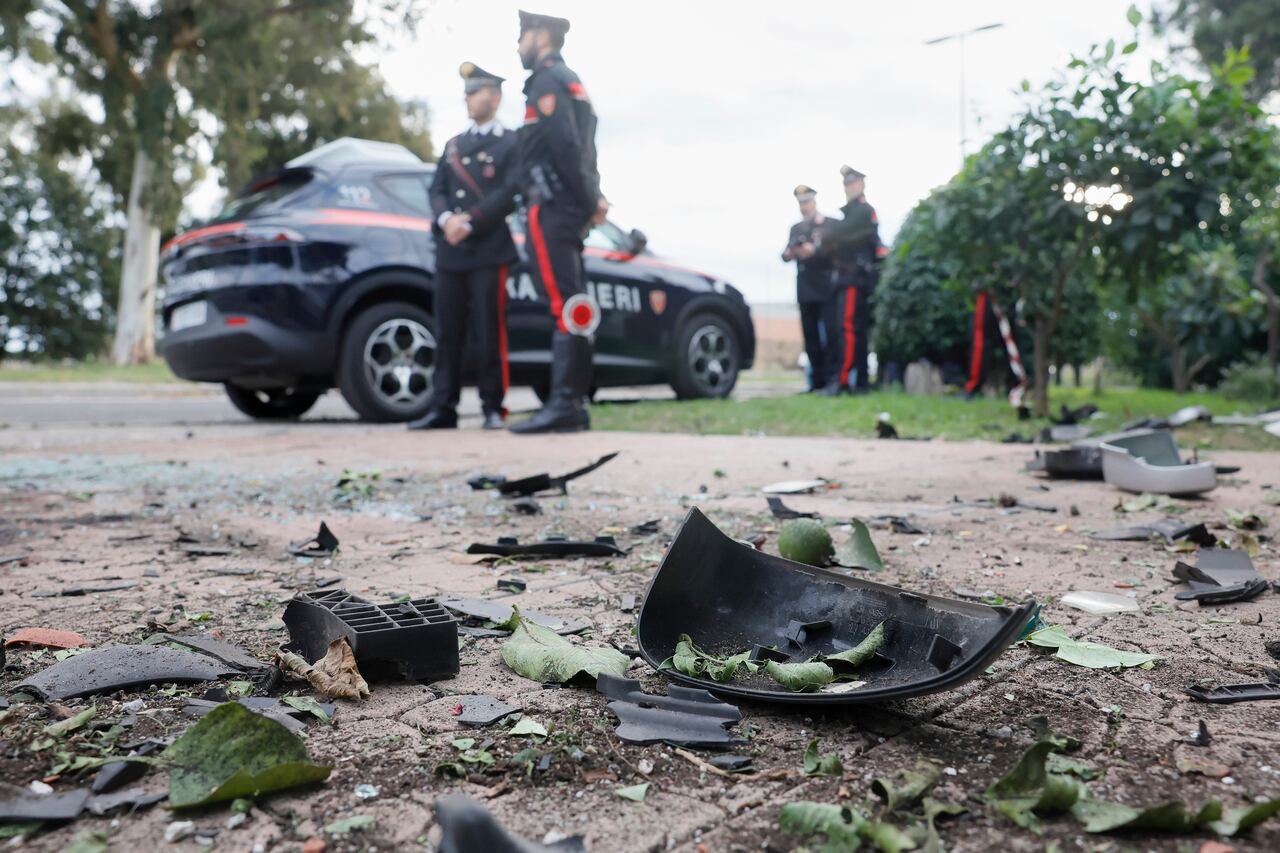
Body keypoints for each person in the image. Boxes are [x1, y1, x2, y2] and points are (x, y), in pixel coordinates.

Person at [508, 9, 608, 434]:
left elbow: (566, 146)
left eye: (521, 36)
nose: (518, 46)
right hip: (569, 207)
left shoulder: (547, 81)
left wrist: (591, 197)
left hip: (550, 209)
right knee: (576, 305)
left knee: (563, 306)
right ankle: (573, 404)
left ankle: (564, 404)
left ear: (541, 35)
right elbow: (585, 150)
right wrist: (592, 196)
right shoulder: (571, 80)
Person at [408, 62, 518, 431]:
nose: (468, 99)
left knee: (489, 330)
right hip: (450, 250)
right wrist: (446, 221)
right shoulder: (454, 144)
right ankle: (443, 408)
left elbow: (510, 192)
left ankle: (492, 407)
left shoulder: (510, 142)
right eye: (467, 93)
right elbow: (436, 189)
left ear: (495, 96)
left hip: (488, 247)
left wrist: (470, 220)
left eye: (475, 92)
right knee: (447, 331)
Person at [816, 166, 879, 395]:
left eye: (852, 183)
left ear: (861, 184)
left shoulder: (863, 212)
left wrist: (829, 236)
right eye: (846, 184)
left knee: (849, 329)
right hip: (849, 279)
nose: (848, 187)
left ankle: (843, 381)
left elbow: (838, 235)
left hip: (854, 279)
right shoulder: (850, 215)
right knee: (855, 330)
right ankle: (859, 382)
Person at [780, 184, 834, 392]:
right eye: (801, 203)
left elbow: (829, 253)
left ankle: (831, 380)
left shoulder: (826, 224)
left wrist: (813, 251)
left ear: (814, 201)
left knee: (828, 336)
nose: (804, 207)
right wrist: (791, 253)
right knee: (810, 338)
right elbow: (785, 254)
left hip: (824, 289)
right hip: (805, 291)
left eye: (807, 202)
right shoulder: (796, 228)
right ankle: (816, 382)